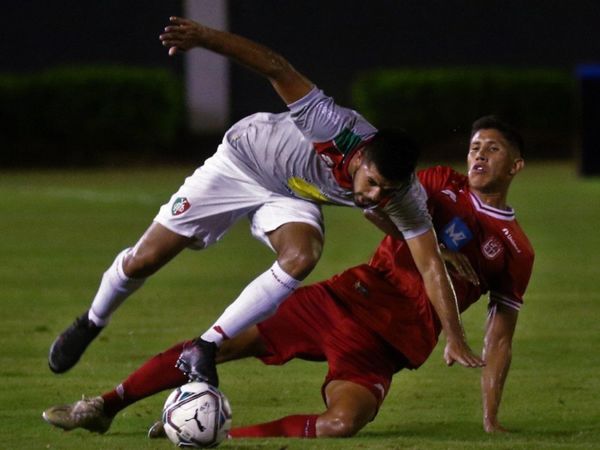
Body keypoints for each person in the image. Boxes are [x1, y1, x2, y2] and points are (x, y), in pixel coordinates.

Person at [48, 15, 482, 386]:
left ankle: (206, 345)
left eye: (386, 192)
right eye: (371, 182)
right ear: (362, 156)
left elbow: (426, 263)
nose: (373, 196)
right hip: (239, 165)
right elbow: (275, 66)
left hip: (288, 192)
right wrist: (204, 38)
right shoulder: (330, 125)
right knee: (144, 260)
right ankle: (92, 320)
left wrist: (456, 336)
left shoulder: (403, 195)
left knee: (303, 255)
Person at [42, 116, 534, 438]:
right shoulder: (435, 183)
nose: (478, 155)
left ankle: (219, 431)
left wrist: (489, 418)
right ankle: (103, 405)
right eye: (474, 146)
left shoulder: (516, 251)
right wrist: (438, 249)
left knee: (343, 423)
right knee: (222, 344)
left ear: (515, 165)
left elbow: (502, 338)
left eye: (491, 149)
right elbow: (381, 211)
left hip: (388, 346)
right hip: (343, 302)